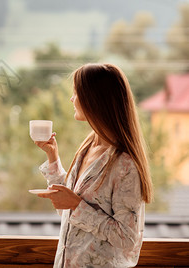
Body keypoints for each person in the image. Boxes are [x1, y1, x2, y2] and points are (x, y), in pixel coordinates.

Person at [34, 63, 153, 268]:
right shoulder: (88, 147)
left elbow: (128, 239)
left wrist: (75, 205)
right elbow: (69, 212)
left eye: (76, 93)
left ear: (94, 99)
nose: (71, 99)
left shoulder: (125, 164)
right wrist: (53, 157)